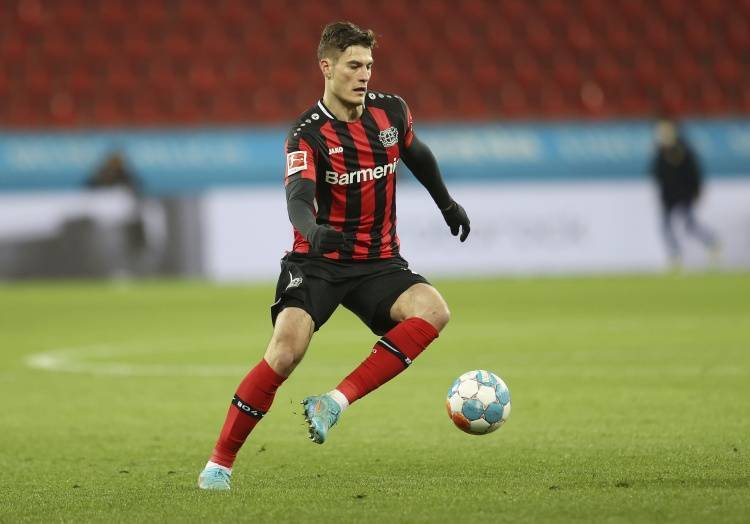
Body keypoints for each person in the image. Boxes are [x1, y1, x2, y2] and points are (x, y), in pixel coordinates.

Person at [198, 21, 470, 491]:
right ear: (326, 67)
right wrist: (313, 231)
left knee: (434, 311)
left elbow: (419, 155)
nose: (363, 75)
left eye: (368, 65)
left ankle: (334, 402)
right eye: (353, 65)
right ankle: (219, 464)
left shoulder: (391, 112)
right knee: (287, 350)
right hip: (318, 260)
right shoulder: (307, 134)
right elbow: (298, 198)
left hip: (378, 261)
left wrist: (447, 204)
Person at [650, 118, 719, 268]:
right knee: (666, 227)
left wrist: (696, 191)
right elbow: (655, 173)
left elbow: (694, 173)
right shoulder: (660, 153)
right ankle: (675, 256)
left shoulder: (684, 151)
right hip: (668, 197)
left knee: (689, 225)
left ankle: (712, 242)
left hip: (684, 195)